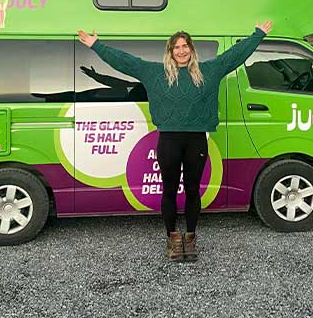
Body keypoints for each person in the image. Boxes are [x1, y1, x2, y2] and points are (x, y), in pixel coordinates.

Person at [77, 21, 273, 262]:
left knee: (192, 190)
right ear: (170, 51)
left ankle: (190, 238)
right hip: (168, 140)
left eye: (185, 46)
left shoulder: (208, 71)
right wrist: (97, 45)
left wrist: (258, 34)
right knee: (169, 190)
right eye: (176, 47)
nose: (181, 51)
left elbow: (236, 55)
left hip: (196, 140)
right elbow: (126, 62)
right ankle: (172, 238)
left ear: (191, 49)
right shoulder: (155, 73)